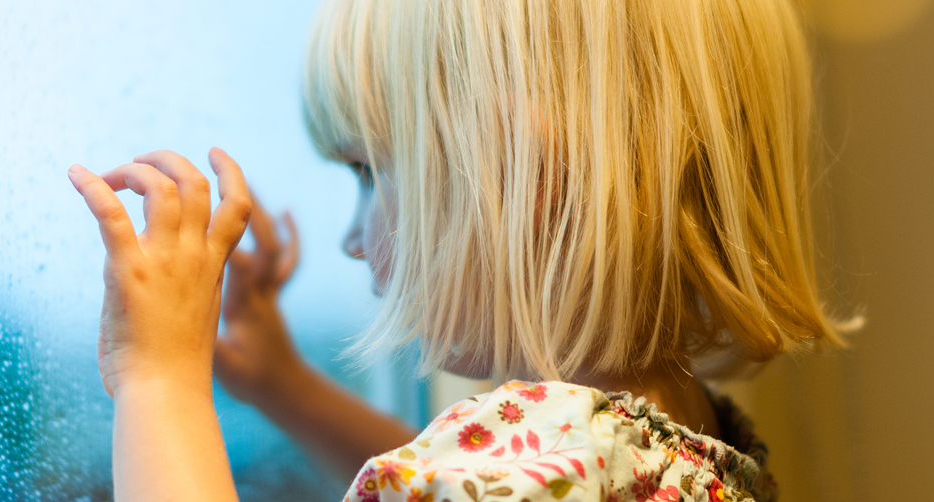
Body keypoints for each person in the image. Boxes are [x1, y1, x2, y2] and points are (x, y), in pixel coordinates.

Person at [66, 0, 856, 500]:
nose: (351, 234)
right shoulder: (666, 443)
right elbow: (475, 479)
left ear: (519, 167)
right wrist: (287, 387)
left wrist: (158, 380)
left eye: (370, 171)